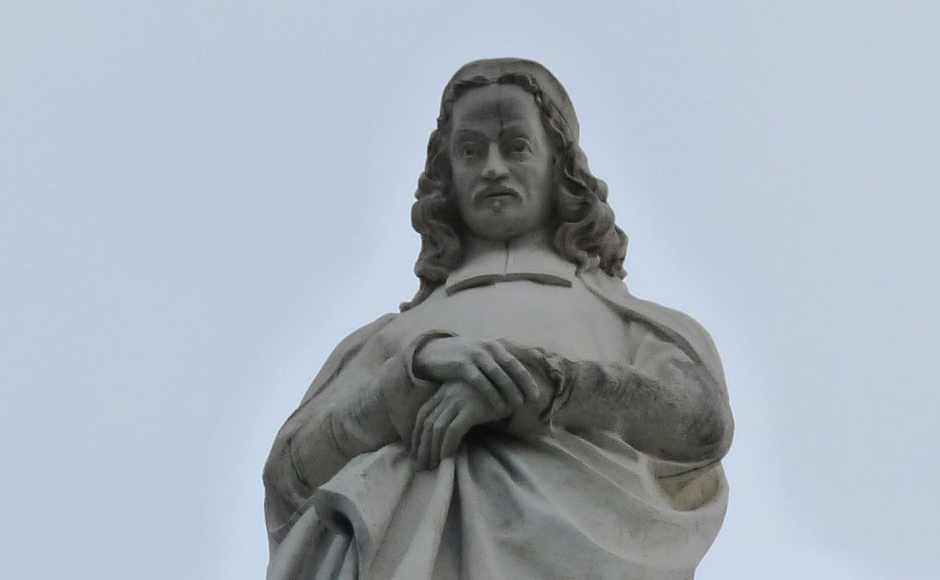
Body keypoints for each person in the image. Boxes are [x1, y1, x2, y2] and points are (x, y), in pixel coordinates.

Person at [263, 58, 733, 580]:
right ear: (447, 173)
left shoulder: (630, 321)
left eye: (516, 147)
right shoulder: (385, 341)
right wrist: (410, 378)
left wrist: (541, 384)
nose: (492, 168)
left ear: (560, 167)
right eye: (470, 150)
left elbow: (700, 422)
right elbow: (291, 473)